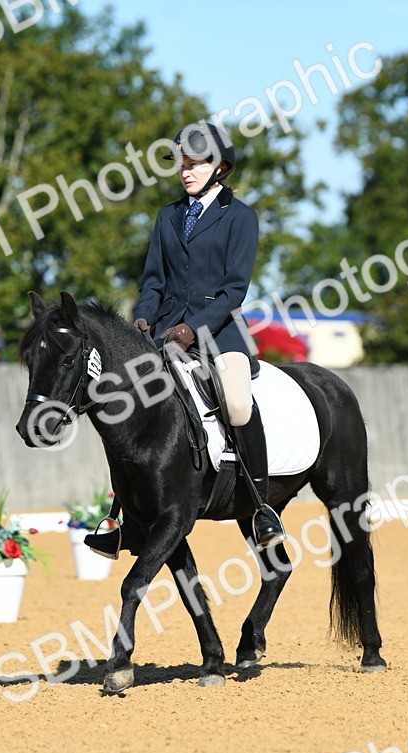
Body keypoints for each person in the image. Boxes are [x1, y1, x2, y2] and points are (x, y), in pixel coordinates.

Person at [88, 121, 287, 555]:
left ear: (220, 167)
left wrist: (191, 327)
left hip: (218, 334)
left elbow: (236, 289)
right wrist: (142, 320)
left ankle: (260, 505)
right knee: (131, 404)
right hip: (163, 335)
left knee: (236, 401)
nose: (186, 171)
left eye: (196, 163)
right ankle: (121, 517)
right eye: (183, 163)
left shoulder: (240, 217)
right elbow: (153, 283)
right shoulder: (168, 216)